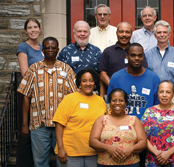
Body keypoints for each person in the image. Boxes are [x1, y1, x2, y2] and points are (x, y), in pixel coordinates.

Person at [17, 37, 77, 167]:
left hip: (62, 125)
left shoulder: (66, 69)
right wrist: (24, 124)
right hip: (39, 125)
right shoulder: (33, 69)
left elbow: (74, 97)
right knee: (40, 163)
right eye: (47, 48)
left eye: (53, 47)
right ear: (43, 50)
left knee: (64, 161)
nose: (50, 50)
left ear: (57, 50)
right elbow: (26, 96)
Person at [53, 69, 106, 167]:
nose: (88, 84)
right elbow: (59, 124)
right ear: (79, 83)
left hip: (94, 153)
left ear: (95, 83)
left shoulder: (100, 101)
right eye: (84, 81)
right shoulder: (69, 99)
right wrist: (61, 148)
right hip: (70, 153)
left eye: (91, 80)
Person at [141, 80, 174, 167]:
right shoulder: (149, 112)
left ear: (173, 94)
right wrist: (157, 153)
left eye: (168, 92)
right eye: (161, 92)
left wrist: (168, 153)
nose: (164, 95)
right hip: (154, 159)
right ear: (157, 93)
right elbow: (142, 137)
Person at [89, 88, 147, 167]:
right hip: (106, 163)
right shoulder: (102, 119)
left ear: (125, 103)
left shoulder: (134, 120)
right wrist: (107, 148)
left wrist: (131, 149)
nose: (117, 103)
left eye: (121, 100)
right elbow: (92, 141)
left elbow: (143, 142)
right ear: (109, 102)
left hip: (131, 163)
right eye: (114, 100)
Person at [16, 17, 44, 167]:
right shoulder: (23, 47)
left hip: (42, 96)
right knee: (25, 131)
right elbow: (25, 73)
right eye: (30, 27)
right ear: (26, 31)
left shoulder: (43, 48)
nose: (33, 30)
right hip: (29, 94)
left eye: (35, 27)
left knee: (38, 130)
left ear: (40, 29)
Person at [107, 43, 160, 120]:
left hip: (147, 126)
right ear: (127, 57)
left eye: (140, 55)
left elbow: (158, 106)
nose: (137, 58)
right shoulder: (116, 77)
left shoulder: (154, 78)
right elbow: (110, 105)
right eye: (133, 55)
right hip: (122, 126)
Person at [99, 22, 148, 97]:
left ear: (131, 34)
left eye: (127, 32)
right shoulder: (108, 51)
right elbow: (103, 74)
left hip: (135, 94)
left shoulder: (137, 51)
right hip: (114, 94)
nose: (124, 35)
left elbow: (144, 72)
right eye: (121, 32)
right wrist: (116, 88)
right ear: (116, 33)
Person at [145, 20, 174, 106]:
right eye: (159, 32)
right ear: (155, 35)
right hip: (154, 93)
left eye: (165, 32)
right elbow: (146, 76)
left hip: (173, 94)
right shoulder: (148, 54)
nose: (162, 35)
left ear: (169, 34)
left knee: (173, 119)